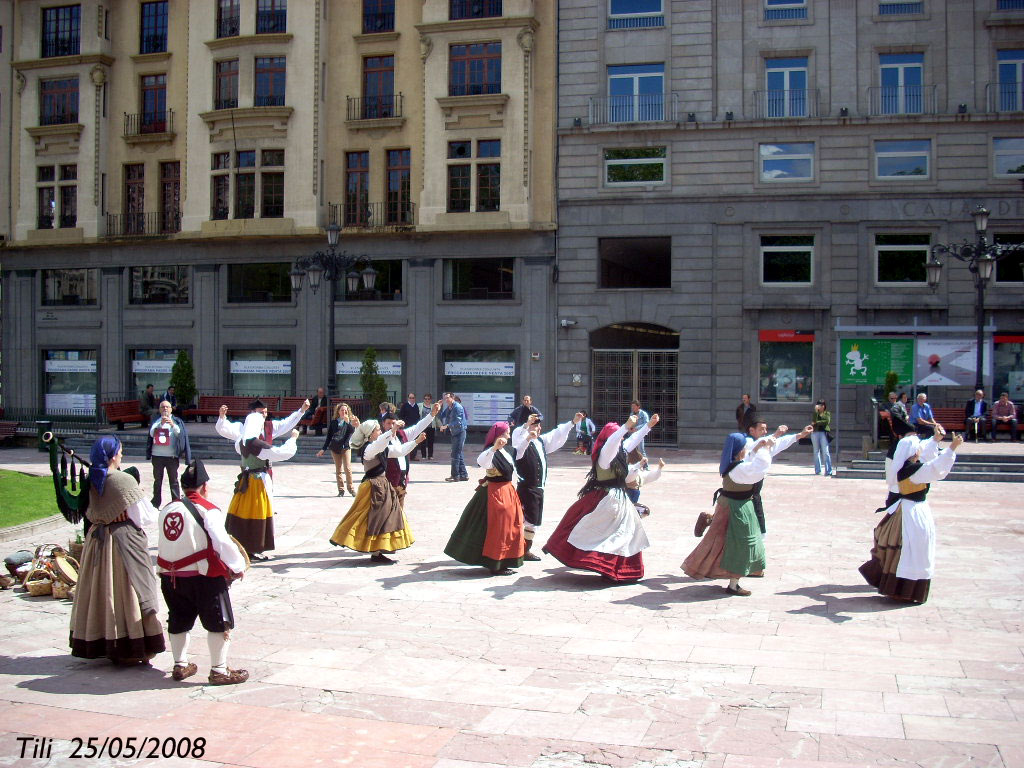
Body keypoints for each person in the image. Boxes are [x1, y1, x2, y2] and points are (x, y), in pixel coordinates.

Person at [682, 425, 810, 596]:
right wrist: (764, 447)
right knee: (740, 545)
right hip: (736, 509)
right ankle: (733, 584)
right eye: (745, 447)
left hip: (733, 505)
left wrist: (794, 436)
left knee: (727, 542)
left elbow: (757, 453)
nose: (748, 448)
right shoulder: (741, 469)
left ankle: (744, 567)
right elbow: (761, 465)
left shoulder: (736, 465)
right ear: (739, 450)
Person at [70, 436, 165, 664]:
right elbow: (144, 516)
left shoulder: (92, 478)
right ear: (113, 455)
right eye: (120, 451)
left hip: (97, 541)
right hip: (123, 541)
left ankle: (103, 640)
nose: (122, 454)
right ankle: (132, 645)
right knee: (131, 590)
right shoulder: (123, 480)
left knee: (101, 591)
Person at [157, 459, 249, 685]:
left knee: (178, 619)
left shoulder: (167, 509)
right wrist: (237, 567)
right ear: (205, 486)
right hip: (203, 577)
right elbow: (222, 543)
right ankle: (219, 670)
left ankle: (180, 664)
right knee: (220, 622)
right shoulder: (209, 511)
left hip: (171, 578)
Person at [543, 413, 659, 582]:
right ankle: (605, 566)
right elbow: (613, 443)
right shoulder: (605, 454)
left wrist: (648, 426)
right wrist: (624, 427)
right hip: (605, 500)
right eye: (617, 436)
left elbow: (631, 440)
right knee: (605, 534)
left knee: (625, 534)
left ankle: (619, 569)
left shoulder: (620, 450)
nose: (620, 439)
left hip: (619, 499)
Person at [859, 426, 962, 604]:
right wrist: (952, 448)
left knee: (902, 550)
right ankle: (906, 590)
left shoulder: (905, 467)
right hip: (913, 515)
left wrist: (935, 440)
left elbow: (926, 458)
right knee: (913, 551)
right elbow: (936, 468)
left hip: (906, 510)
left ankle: (897, 588)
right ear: (913, 452)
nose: (921, 449)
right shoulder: (913, 471)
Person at [216, 399, 307, 561]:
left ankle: (241, 544)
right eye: (260, 413)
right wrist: (293, 439)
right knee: (257, 514)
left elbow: (285, 423)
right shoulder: (254, 443)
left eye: (265, 412)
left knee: (243, 512)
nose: (264, 416)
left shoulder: (241, 441)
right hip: (257, 482)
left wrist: (300, 411)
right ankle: (252, 547)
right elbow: (281, 453)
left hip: (248, 479)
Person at [329, 418, 424, 563]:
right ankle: (373, 550)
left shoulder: (381, 447)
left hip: (382, 486)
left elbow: (399, 451)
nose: (380, 431)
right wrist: (392, 431)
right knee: (368, 518)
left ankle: (378, 551)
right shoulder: (368, 449)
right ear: (370, 434)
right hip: (373, 488)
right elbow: (380, 443)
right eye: (378, 430)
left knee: (384, 518)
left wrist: (415, 442)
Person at [444, 422, 526, 575]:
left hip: (507, 491)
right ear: (499, 435)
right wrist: (494, 448)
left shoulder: (508, 450)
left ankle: (504, 560)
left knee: (508, 527)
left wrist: (528, 438)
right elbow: (482, 462)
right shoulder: (490, 452)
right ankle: (495, 563)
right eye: (507, 432)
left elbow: (519, 453)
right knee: (497, 528)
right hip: (494, 494)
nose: (509, 435)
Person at [511, 412, 583, 561]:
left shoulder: (541, 442)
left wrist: (572, 422)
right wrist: (526, 428)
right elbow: (518, 440)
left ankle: (525, 549)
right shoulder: (520, 445)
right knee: (523, 521)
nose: (537, 428)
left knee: (533, 522)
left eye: (538, 426)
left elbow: (556, 434)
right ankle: (516, 550)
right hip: (527, 489)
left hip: (538, 489)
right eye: (534, 425)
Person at [742, 420, 803, 535]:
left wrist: (800, 435)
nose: (765, 432)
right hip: (742, 487)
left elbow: (779, 443)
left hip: (755, 488)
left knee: (756, 506)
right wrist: (776, 434)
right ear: (751, 430)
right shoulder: (746, 441)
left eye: (766, 429)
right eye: (762, 429)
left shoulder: (765, 444)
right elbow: (756, 446)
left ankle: (761, 534)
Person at [378, 405, 440, 509]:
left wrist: (431, 415)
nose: (391, 425)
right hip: (388, 483)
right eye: (388, 423)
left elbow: (418, 427)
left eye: (393, 423)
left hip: (402, 481)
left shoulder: (403, 434)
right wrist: (415, 442)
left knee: (400, 514)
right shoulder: (381, 439)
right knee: (388, 514)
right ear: (383, 424)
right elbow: (399, 451)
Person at [148, 400, 192, 508]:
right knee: (157, 481)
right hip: (157, 456)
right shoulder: (156, 421)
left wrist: (172, 425)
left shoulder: (177, 421)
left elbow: (181, 435)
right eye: (162, 407)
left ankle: (176, 502)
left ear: (171, 409)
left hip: (171, 456)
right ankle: (156, 503)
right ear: (159, 409)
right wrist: (161, 424)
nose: (165, 409)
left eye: (167, 407)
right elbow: (151, 434)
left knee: (174, 481)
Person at [317, 402, 358, 496]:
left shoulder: (350, 421)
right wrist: (323, 449)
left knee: (347, 468)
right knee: (338, 469)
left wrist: (348, 423)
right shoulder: (334, 422)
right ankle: (341, 490)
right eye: (342, 410)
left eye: (345, 410)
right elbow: (329, 437)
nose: (344, 412)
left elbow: (352, 432)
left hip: (346, 447)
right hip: (335, 447)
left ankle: (351, 489)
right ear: (338, 412)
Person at [439, 391, 469, 482]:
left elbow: (458, 422)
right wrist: (438, 407)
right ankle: (464, 475)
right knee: (458, 453)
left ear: (452, 398)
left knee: (455, 454)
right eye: (445, 398)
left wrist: (446, 426)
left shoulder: (458, 407)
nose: (446, 400)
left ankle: (455, 476)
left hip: (460, 432)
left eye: (448, 398)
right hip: (454, 433)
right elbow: (441, 416)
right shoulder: (449, 407)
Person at [810, 399, 833, 476]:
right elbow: (813, 421)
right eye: (818, 405)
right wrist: (816, 412)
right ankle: (818, 470)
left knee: (825, 452)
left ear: (824, 406)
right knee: (816, 452)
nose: (820, 406)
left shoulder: (827, 413)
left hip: (823, 433)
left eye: (821, 405)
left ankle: (828, 470)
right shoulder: (815, 413)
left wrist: (817, 422)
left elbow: (826, 421)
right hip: (815, 433)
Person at [398, 393, 423, 458]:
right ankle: (405, 455)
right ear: (408, 398)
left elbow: (418, 416)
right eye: (410, 398)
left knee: (414, 440)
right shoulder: (405, 406)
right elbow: (400, 416)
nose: (412, 399)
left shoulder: (416, 406)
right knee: (406, 441)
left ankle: (413, 456)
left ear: (415, 398)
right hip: (406, 426)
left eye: (413, 398)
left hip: (414, 426)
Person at [417, 393, 437, 460]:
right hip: (423, 426)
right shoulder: (419, 405)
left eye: (428, 399)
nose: (427, 400)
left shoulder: (433, 406)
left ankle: (430, 455)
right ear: (423, 399)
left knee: (430, 441)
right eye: (425, 399)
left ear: (430, 399)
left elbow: (436, 417)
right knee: (423, 441)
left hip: (431, 426)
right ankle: (423, 456)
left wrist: (441, 425)